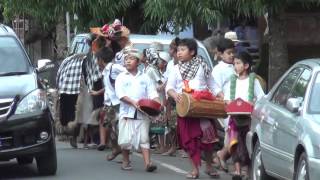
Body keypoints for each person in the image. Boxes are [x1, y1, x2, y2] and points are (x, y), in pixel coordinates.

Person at [166, 38, 222, 179]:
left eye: (182, 50)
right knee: (190, 141)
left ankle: (209, 167)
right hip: (185, 108)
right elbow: (169, 88)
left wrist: (220, 95)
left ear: (192, 52)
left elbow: (212, 84)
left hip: (203, 107)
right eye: (178, 50)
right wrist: (175, 95)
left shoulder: (202, 65)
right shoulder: (175, 69)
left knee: (208, 139)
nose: (179, 53)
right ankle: (194, 170)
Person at [115, 48, 160, 172]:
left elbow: (152, 93)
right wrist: (133, 102)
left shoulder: (145, 77)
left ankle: (148, 163)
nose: (128, 61)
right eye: (126, 59)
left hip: (143, 112)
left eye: (131, 59)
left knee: (144, 138)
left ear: (138, 62)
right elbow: (120, 94)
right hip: (126, 112)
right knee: (125, 140)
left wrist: (157, 104)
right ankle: (125, 160)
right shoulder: (121, 77)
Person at [223, 52, 265, 179]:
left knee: (246, 144)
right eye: (234, 63)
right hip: (234, 119)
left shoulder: (253, 81)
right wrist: (230, 103)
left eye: (238, 63)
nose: (235, 66)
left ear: (246, 65)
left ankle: (246, 171)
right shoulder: (232, 81)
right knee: (234, 143)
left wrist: (252, 104)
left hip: (248, 119)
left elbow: (262, 99)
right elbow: (226, 100)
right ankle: (237, 170)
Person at [211, 38, 236, 172]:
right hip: (225, 107)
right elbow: (215, 89)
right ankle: (223, 155)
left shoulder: (236, 66)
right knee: (233, 132)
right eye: (228, 53)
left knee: (235, 133)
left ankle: (222, 155)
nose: (231, 55)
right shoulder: (218, 69)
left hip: (237, 106)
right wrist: (224, 102)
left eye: (233, 53)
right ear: (220, 54)